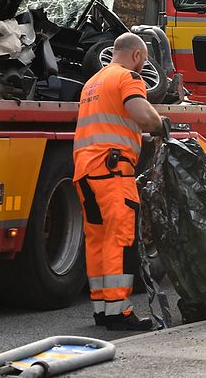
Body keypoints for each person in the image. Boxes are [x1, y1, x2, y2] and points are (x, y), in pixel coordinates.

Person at [73, 33, 169, 330]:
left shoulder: (93, 82)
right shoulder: (128, 77)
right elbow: (141, 114)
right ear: (138, 56)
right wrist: (160, 125)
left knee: (97, 238)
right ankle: (119, 312)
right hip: (113, 170)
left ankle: (102, 308)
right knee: (119, 237)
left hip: (85, 170)